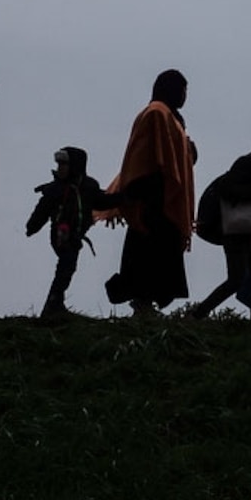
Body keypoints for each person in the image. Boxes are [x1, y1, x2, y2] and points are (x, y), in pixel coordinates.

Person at [99, 70, 198, 313]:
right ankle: (141, 301)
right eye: (183, 90)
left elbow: (177, 155)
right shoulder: (157, 113)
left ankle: (144, 301)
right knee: (147, 253)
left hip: (162, 196)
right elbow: (145, 155)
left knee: (159, 253)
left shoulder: (170, 117)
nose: (185, 96)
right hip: (152, 195)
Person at [187, 126, 251, 317]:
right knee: (236, 279)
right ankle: (199, 313)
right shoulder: (247, 163)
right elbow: (227, 188)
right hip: (236, 230)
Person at [26, 146, 103, 319]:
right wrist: (32, 226)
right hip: (61, 236)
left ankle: (55, 304)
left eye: (64, 164)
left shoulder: (88, 187)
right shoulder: (55, 189)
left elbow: (101, 201)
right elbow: (42, 210)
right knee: (66, 266)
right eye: (58, 164)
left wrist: (125, 197)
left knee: (67, 267)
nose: (60, 168)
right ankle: (53, 305)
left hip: (75, 236)